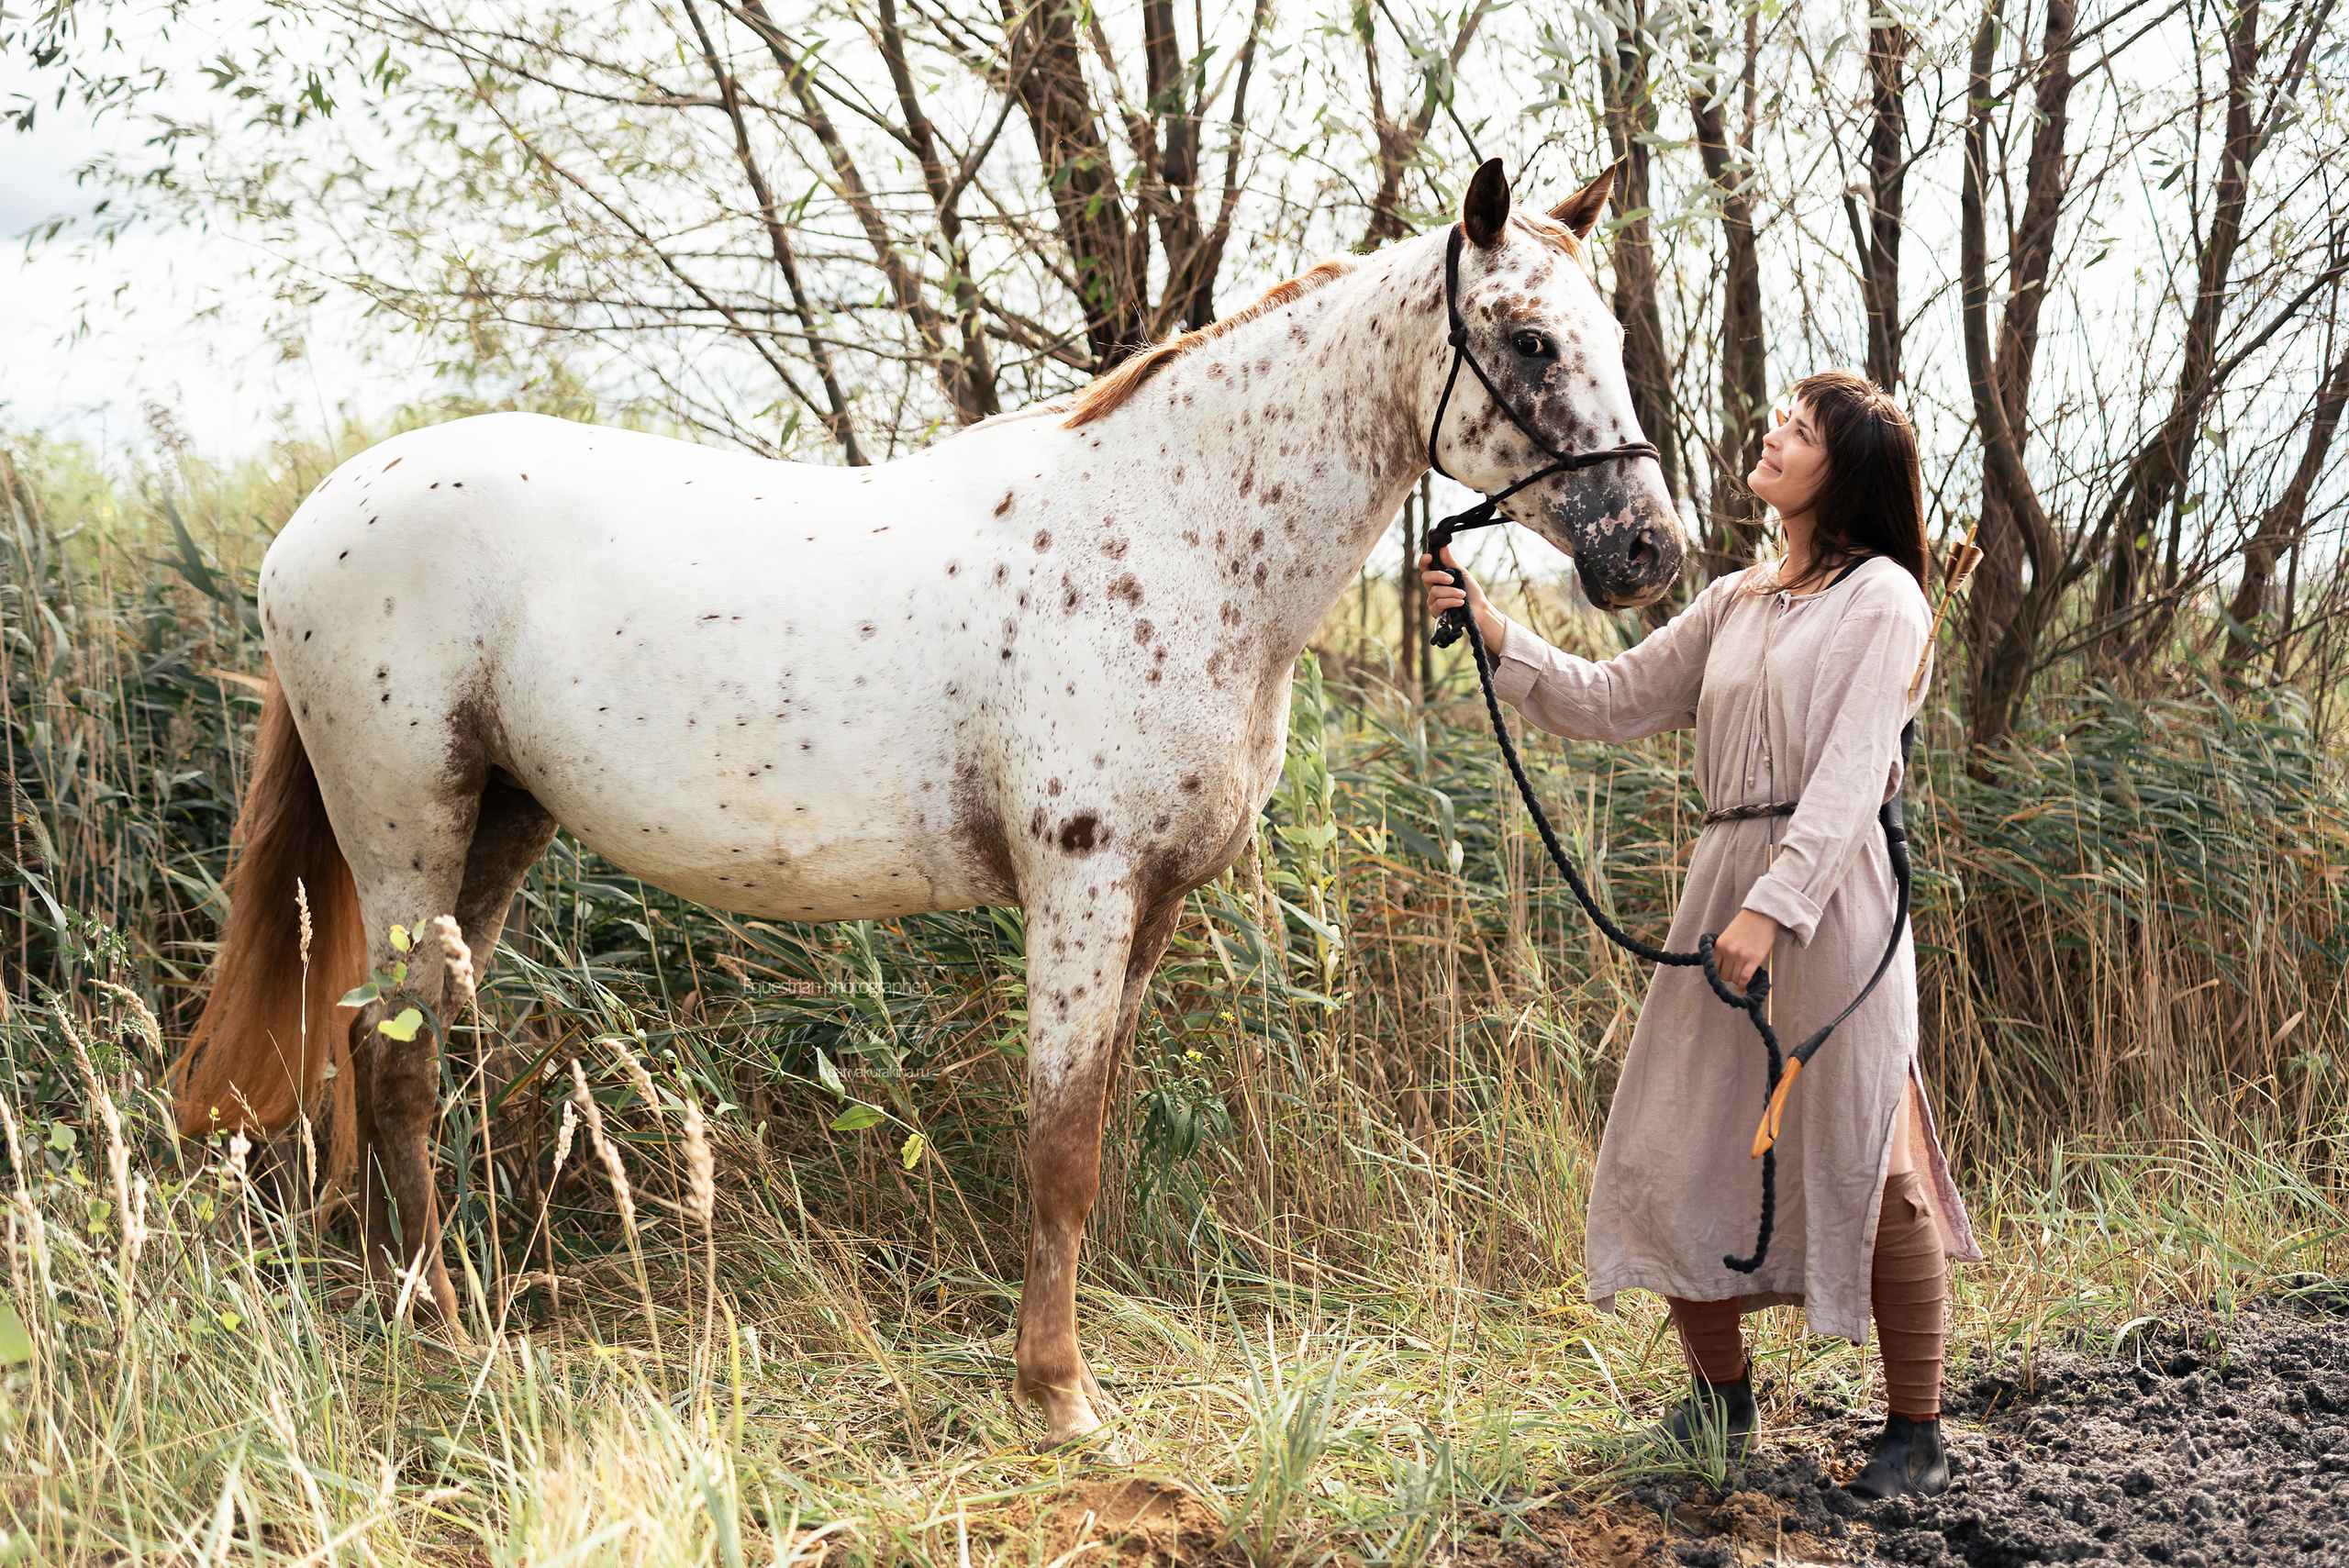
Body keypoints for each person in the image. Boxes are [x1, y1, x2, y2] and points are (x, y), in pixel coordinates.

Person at [1422, 369, 1984, 1498]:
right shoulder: (1736, 596)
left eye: (1799, 429)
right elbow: (1611, 697)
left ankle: (1915, 1431)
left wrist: (1773, 907)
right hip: (1723, 874)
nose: (1770, 433)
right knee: (1670, 1146)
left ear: (1848, 468)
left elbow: (1846, 774)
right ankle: (1721, 1406)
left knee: (1874, 1162)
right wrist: (1492, 626)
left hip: (1830, 895)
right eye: (1776, 416)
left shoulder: (1886, 601)